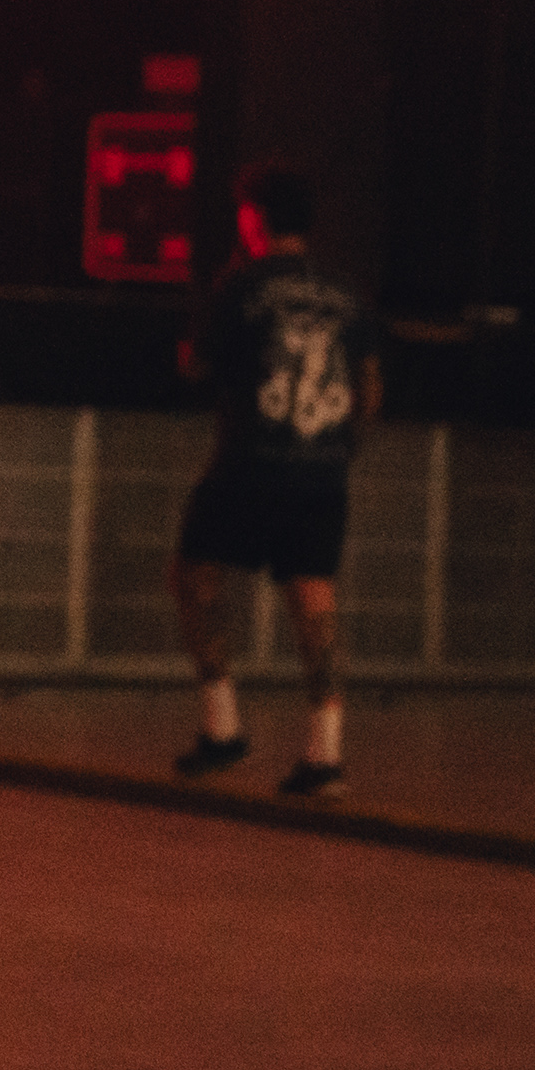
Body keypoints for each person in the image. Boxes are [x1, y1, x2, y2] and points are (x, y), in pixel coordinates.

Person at [170, 163, 384, 799]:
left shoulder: (243, 283)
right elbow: (370, 386)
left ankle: (223, 728)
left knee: (195, 578)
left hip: (251, 461)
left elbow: (196, 366)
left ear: (254, 218)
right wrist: (340, 450)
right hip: (322, 470)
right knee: (314, 598)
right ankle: (325, 755)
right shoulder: (346, 292)